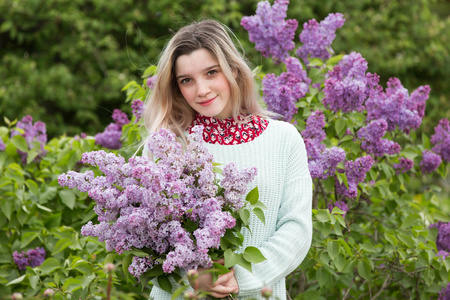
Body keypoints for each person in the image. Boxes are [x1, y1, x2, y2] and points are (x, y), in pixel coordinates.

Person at [142, 19, 312, 300]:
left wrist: (239, 277)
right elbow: (148, 235)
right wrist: (192, 276)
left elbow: (297, 229)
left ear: (233, 69)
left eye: (211, 72)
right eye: (187, 80)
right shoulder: (166, 145)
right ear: (176, 88)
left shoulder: (284, 139)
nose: (202, 90)